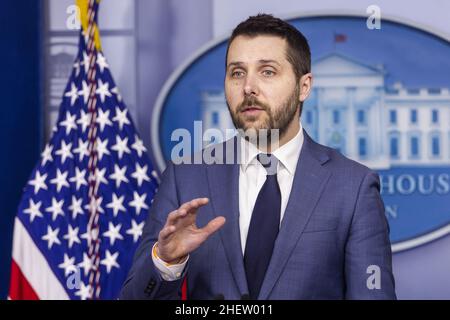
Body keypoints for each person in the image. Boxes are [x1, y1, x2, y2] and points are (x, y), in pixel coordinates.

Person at [120, 14, 396, 300]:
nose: (248, 87)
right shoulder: (185, 176)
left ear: (304, 87)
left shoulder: (354, 186)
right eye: (237, 73)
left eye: (267, 72)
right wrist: (167, 263)